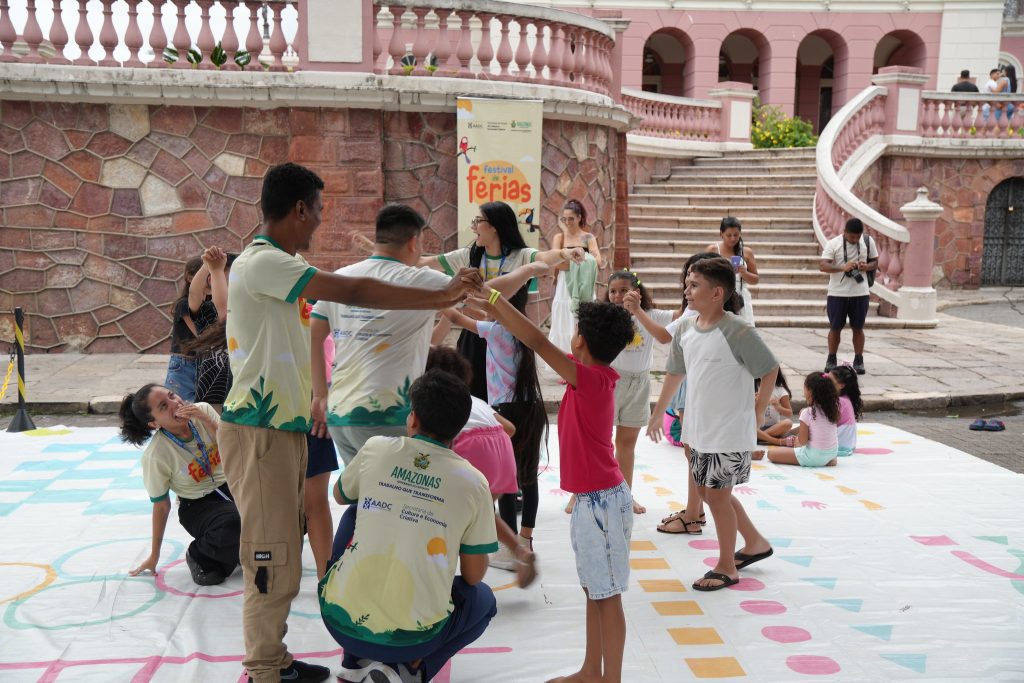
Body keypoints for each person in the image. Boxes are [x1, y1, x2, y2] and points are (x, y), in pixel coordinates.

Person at [219, 163, 482, 683]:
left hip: (285, 430)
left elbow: (321, 322)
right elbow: (353, 292)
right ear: (299, 209)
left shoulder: (276, 267)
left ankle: (275, 658)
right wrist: (441, 297)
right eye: (317, 211)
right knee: (270, 554)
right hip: (260, 432)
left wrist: (317, 398)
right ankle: (263, 670)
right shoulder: (263, 263)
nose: (318, 223)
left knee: (286, 555)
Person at [471, 290, 635, 683]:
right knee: (595, 590)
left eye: (575, 330)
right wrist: (492, 305)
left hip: (602, 505)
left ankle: (609, 678)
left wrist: (495, 298)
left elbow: (537, 340)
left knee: (606, 596)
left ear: (580, 340)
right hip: (592, 502)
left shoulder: (592, 379)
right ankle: (590, 671)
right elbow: (535, 339)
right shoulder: (592, 375)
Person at [321, 370, 498, 683]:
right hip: (414, 636)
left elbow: (339, 494)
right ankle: (411, 669)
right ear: (458, 430)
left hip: (338, 622)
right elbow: (472, 575)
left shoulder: (376, 448)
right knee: (483, 601)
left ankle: (355, 659)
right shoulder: (474, 483)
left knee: (354, 512)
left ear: (412, 419)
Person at [647, 256, 778, 590]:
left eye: (694, 286)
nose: (687, 292)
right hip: (699, 428)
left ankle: (726, 566)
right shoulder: (687, 329)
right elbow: (675, 372)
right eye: (687, 285)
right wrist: (657, 411)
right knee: (709, 492)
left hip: (728, 429)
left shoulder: (737, 330)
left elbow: (768, 368)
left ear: (717, 293)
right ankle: (754, 543)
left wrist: (759, 411)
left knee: (717, 497)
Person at [420, 200, 584, 401]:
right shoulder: (468, 256)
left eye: (478, 220)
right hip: (475, 337)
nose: (473, 226)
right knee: (474, 401)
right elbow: (425, 263)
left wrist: (566, 252)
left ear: (495, 226)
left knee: (510, 402)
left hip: (513, 341)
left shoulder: (520, 256)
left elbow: (546, 257)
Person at [439, 281, 548, 571]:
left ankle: (508, 546)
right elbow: (481, 312)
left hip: (506, 409)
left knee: (508, 481)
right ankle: (525, 539)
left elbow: (458, 318)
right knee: (528, 474)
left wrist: (444, 300)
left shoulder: (494, 330)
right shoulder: (525, 332)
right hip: (531, 407)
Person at [426, 346, 537, 587]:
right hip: (502, 452)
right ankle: (519, 549)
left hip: (470, 451)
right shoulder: (474, 400)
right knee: (483, 510)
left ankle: (467, 579)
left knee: (467, 520)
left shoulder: (435, 403)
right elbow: (510, 429)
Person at [120, 384, 239, 586]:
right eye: (164, 406)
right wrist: (154, 556)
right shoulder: (156, 455)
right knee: (234, 521)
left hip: (232, 485)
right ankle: (199, 555)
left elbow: (235, 447)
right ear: (154, 423)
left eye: (173, 395)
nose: (176, 404)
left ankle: (243, 548)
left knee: (279, 503)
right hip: (199, 506)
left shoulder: (204, 411)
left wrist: (206, 419)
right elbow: (161, 505)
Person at [608, 270, 680, 515]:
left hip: (639, 385)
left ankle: (625, 496)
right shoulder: (606, 314)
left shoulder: (650, 315)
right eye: (613, 291)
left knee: (626, 444)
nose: (618, 296)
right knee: (599, 442)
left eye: (624, 290)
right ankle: (581, 493)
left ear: (637, 292)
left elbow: (683, 316)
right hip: (610, 383)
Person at [546, 199, 604, 361]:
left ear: (579, 218)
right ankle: (565, 362)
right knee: (564, 319)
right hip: (565, 283)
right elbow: (555, 260)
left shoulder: (588, 238)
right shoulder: (560, 237)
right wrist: (579, 261)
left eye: (571, 218)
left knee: (582, 320)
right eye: (564, 219)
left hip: (583, 282)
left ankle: (583, 359)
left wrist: (572, 262)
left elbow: (597, 260)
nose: (568, 222)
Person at [820, 217, 878, 375]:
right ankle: (831, 358)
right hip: (837, 293)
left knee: (858, 328)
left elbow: (875, 262)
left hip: (860, 293)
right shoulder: (834, 243)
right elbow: (823, 265)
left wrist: (866, 266)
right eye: (852, 237)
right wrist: (842, 267)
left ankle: (859, 359)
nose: (855, 240)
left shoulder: (867, 241)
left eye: (858, 237)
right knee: (835, 328)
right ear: (844, 232)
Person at [759, 372, 840, 468]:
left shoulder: (807, 412)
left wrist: (797, 440)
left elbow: (803, 441)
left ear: (810, 391)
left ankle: (819, 460)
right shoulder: (834, 409)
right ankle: (825, 460)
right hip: (832, 453)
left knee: (771, 454)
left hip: (813, 456)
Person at [165, 256, 217, 401]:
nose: (210, 279)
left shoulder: (211, 305)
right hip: (184, 365)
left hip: (203, 362)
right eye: (205, 275)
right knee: (180, 407)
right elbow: (201, 333)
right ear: (190, 277)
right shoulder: (183, 304)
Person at [707, 216, 758, 325]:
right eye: (728, 235)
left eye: (736, 235)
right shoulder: (713, 250)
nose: (732, 238)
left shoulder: (746, 252)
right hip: (720, 296)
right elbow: (703, 274)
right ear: (721, 234)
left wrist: (744, 273)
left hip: (740, 297)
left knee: (743, 333)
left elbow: (755, 279)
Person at [829, 364, 863, 458]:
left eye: (829, 381)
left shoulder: (839, 402)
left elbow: (823, 424)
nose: (825, 383)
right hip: (846, 446)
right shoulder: (844, 399)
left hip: (838, 447)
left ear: (841, 385)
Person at [756, 369, 794, 446]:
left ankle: (759, 437)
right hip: (757, 427)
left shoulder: (780, 390)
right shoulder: (754, 387)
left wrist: (778, 407)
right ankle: (775, 440)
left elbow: (789, 413)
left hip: (774, 428)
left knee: (788, 423)